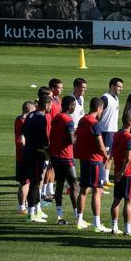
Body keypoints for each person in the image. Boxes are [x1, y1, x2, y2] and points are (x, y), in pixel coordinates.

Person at [75, 97, 110, 232]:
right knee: (97, 190)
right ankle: (97, 223)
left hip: (84, 159)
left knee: (83, 190)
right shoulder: (95, 124)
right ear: (99, 108)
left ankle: (79, 219)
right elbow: (101, 146)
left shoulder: (82, 120)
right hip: (95, 161)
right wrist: (107, 157)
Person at [49, 95, 80, 225]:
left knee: (60, 185)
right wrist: (78, 134)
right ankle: (78, 215)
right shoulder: (68, 120)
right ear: (70, 106)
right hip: (66, 157)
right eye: (74, 106)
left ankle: (59, 215)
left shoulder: (56, 118)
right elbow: (70, 140)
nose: (75, 108)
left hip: (55, 156)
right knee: (75, 185)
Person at [110, 113, 131, 237]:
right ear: (129, 123)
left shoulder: (117, 135)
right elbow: (128, 159)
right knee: (128, 201)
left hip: (118, 172)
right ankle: (127, 229)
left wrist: (117, 172)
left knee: (117, 200)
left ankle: (114, 227)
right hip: (128, 173)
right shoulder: (129, 137)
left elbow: (113, 153)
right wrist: (122, 172)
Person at [21, 96, 51, 223]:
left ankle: (37, 210)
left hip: (28, 151)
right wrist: (47, 150)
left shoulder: (31, 115)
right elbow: (44, 138)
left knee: (36, 182)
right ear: (46, 106)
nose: (51, 108)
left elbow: (25, 132)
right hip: (36, 154)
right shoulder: (40, 117)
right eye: (50, 105)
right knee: (35, 183)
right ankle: (31, 214)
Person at [98, 77, 124, 189]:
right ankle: (100, 180)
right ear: (112, 86)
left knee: (110, 156)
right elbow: (98, 113)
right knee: (104, 156)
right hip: (105, 131)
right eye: (119, 86)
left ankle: (106, 179)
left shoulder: (116, 98)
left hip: (113, 131)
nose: (121, 89)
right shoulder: (105, 98)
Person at [15, 101, 35, 215]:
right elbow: (22, 141)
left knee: (24, 181)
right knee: (25, 182)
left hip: (21, 156)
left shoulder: (19, 119)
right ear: (28, 110)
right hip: (24, 156)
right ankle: (22, 207)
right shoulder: (23, 121)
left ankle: (22, 205)